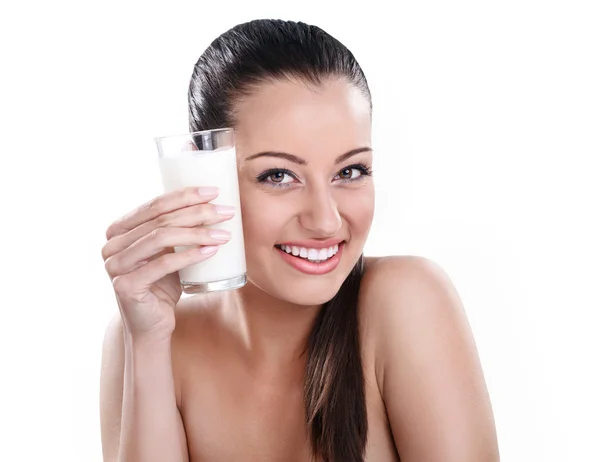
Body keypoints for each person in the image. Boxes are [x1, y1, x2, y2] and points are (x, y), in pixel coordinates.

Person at [99, 19, 500, 462]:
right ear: (202, 174)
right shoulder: (147, 340)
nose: (326, 221)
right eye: (279, 175)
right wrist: (149, 343)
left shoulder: (405, 301)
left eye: (350, 171)